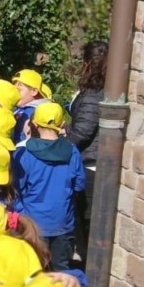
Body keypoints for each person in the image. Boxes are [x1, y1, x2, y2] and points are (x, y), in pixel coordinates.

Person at [14, 101, 87, 270]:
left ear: (34, 123)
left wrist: (21, 215)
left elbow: (17, 188)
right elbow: (79, 184)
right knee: (61, 271)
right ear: (62, 124)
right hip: (62, 223)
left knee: (32, 270)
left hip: (33, 224)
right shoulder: (72, 151)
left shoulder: (24, 153)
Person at [69, 39, 107, 265]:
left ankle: (86, 273)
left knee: (86, 224)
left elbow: (83, 130)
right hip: (86, 162)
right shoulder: (91, 91)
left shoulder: (94, 94)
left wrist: (61, 146)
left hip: (90, 166)